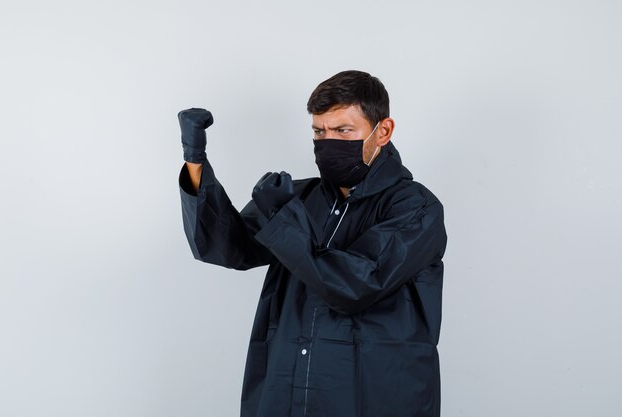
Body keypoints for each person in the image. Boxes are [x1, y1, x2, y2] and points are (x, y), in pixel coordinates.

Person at [177, 70, 448, 417]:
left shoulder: (416, 208)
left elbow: (356, 284)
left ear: (383, 131)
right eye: (319, 132)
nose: (328, 142)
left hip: (373, 399)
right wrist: (195, 161)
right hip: (286, 393)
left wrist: (283, 218)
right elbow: (224, 246)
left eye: (343, 131)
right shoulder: (299, 199)